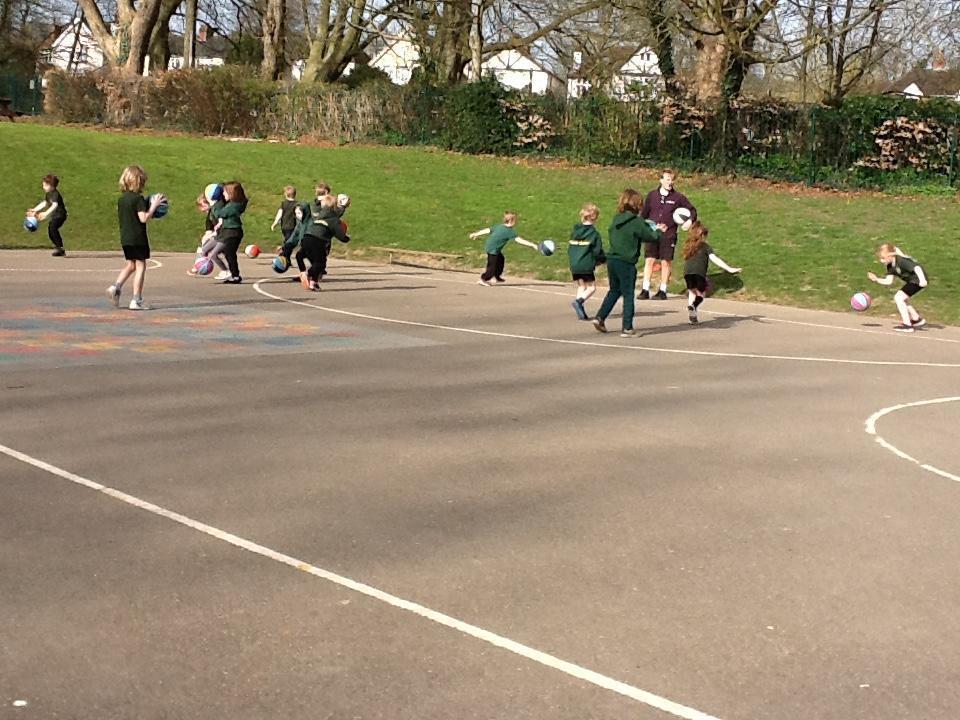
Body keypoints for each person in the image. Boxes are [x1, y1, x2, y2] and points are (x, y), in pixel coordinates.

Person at [593, 189, 664, 337]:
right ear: (637, 205)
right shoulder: (636, 222)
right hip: (626, 262)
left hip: (612, 259)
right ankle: (627, 327)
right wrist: (658, 231)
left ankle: (600, 317)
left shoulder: (616, 219)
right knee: (628, 295)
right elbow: (650, 236)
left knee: (614, 291)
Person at [106, 165, 165, 310]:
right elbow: (143, 218)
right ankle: (136, 299)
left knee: (131, 265)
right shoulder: (138, 199)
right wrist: (153, 206)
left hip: (125, 237)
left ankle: (116, 286)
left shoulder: (122, 199)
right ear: (138, 181)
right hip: (137, 238)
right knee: (141, 266)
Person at [639, 169, 696, 300]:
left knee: (666, 261)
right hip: (652, 233)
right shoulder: (652, 195)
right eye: (667, 179)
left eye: (672, 180)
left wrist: (689, 221)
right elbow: (644, 215)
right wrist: (645, 228)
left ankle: (663, 290)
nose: (670, 182)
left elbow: (692, 210)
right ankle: (645, 289)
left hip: (669, 234)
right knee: (649, 260)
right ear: (661, 180)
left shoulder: (678, 197)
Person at [680, 221, 741, 324]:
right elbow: (714, 259)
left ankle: (692, 314)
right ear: (702, 235)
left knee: (692, 292)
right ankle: (693, 306)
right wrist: (729, 268)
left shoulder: (688, 245)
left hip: (687, 273)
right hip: (699, 273)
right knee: (701, 294)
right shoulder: (705, 246)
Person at [293, 195, 350, 291]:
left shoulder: (319, 215)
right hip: (318, 240)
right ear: (334, 207)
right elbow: (340, 235)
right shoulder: (334, 219)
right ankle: (308, 274)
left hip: (306, 237)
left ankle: (310, 280)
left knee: (300, 255)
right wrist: (346, 238)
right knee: (320, 263)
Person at [868, 243, 928, 333]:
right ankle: (916, 319)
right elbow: (888, 281)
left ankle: (907, 325)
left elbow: (917, 267)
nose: (881, 261)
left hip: (918, 280)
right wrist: (876, 279)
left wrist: (922, 280)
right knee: (902, 299)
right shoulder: (890, 266)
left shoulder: (901, 260)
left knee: (899, 298)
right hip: (912, 281)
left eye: (883, 258)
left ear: (890, 255)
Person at [469, 211, 538, 286]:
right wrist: (532, 245)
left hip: (493, 247)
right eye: (515, 220)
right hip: (493, 250)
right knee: (492, 267)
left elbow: (487, 230)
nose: (516, 222)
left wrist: (476, 234)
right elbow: (519, 240)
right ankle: (483, 279)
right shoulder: (509, 231)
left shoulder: (499, 226)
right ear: (511, 221)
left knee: (501, 259)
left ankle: (496, 276)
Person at [568, 203, 605, 320]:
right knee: (591, 288)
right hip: (585, 264)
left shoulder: (575, 231)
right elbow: (597, 251)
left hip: (574, 264)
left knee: (581, 286)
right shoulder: (594, 234)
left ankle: (580, 310)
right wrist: (603, 260)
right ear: (595, 217)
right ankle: (579, 301)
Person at [212, 181, 248, 284]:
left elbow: (220, 213)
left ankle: (235, 275)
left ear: (231, 193)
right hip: (229, 232)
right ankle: (234, 275)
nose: (223, 194)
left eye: (225, 192)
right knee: (229, 253)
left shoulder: (234, 206)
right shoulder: (232, 204)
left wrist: (216, 203)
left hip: (233, 232)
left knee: (229, 253)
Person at [27, 174, 68, 256]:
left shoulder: (55, 194)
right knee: (51, 230)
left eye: (45, 185)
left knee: (52, 229)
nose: (43, 187)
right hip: (55, 216)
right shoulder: (49, 194)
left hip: (61, 215)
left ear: (52, 186)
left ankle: (60, 248)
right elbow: (45, 203)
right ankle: (59, 248)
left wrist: (46, 213)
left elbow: (54, 205)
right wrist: (35, 209)